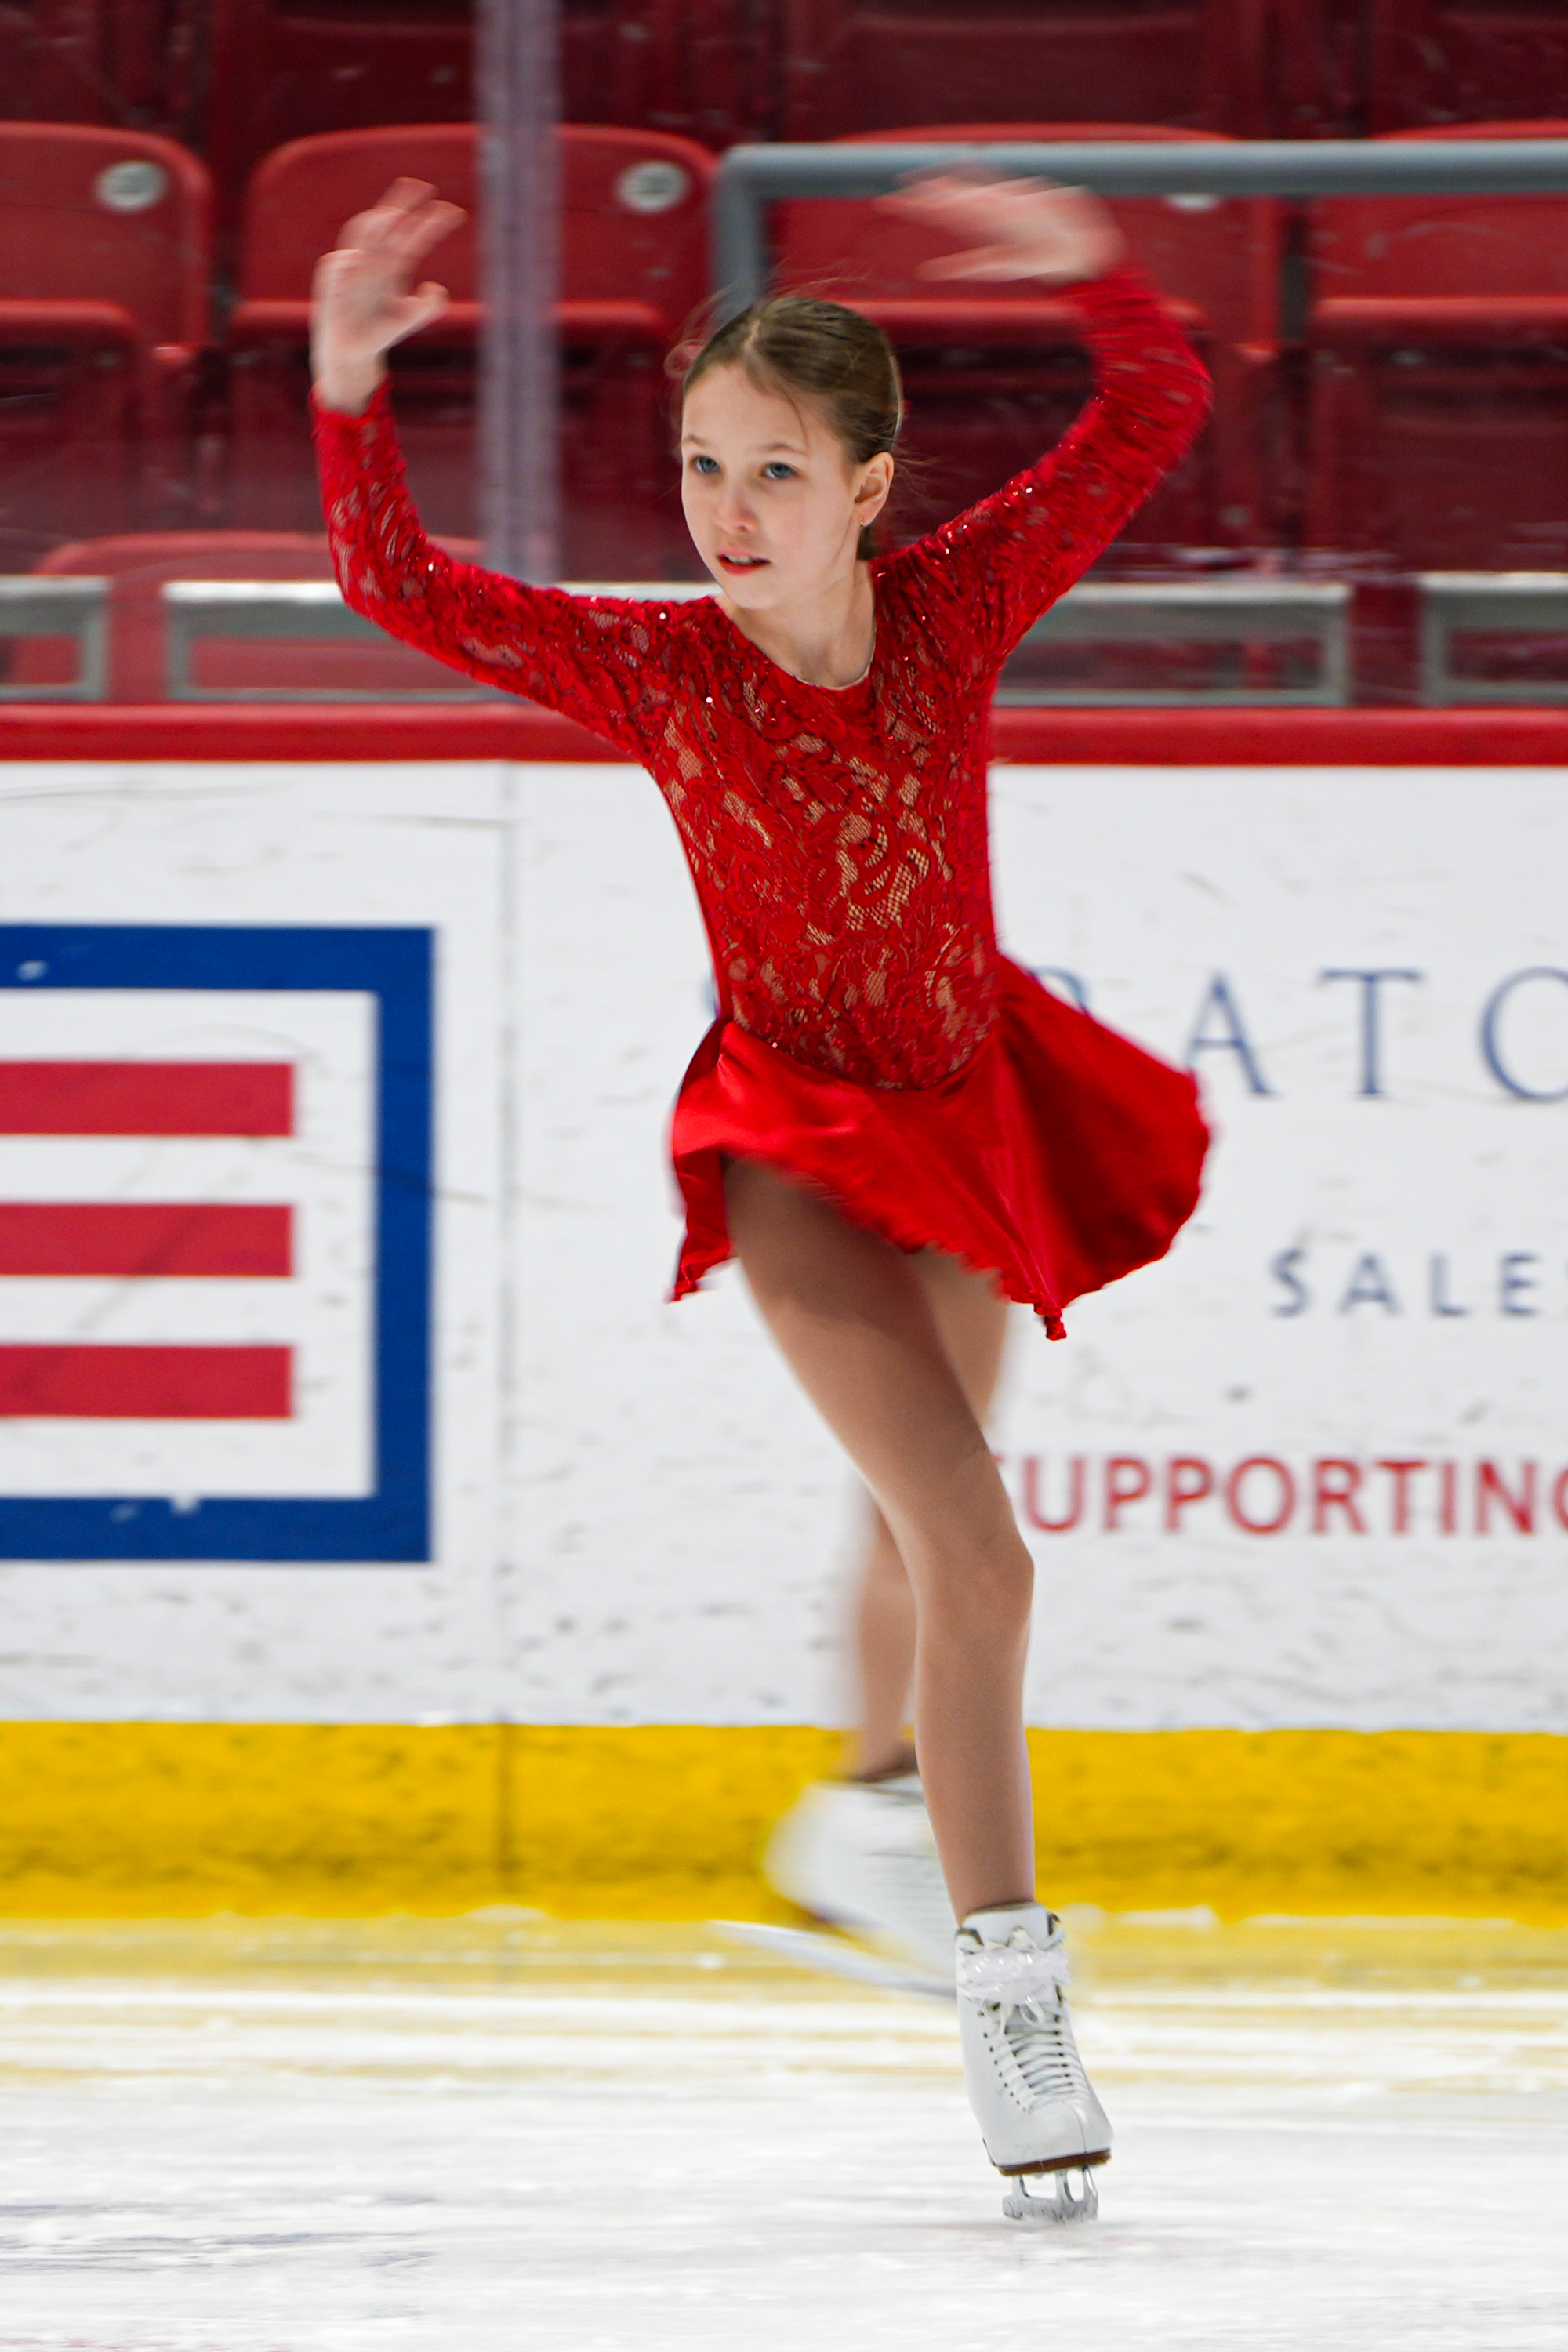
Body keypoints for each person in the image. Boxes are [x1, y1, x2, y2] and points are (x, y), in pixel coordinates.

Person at [310, 171, 1210, 2220]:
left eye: (776, 471)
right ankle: (1011, 1995)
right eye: (704, 466)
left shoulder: (960, 606)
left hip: (966, 1120)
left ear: (869, 487)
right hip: (797, 1146)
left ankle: (868, 1808)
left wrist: (1098, 272)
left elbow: (1153, 415)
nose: (728, 510)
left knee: (919, 1518)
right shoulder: (662, 673)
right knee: (979, 1553)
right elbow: (401, 589)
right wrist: (351, 389)